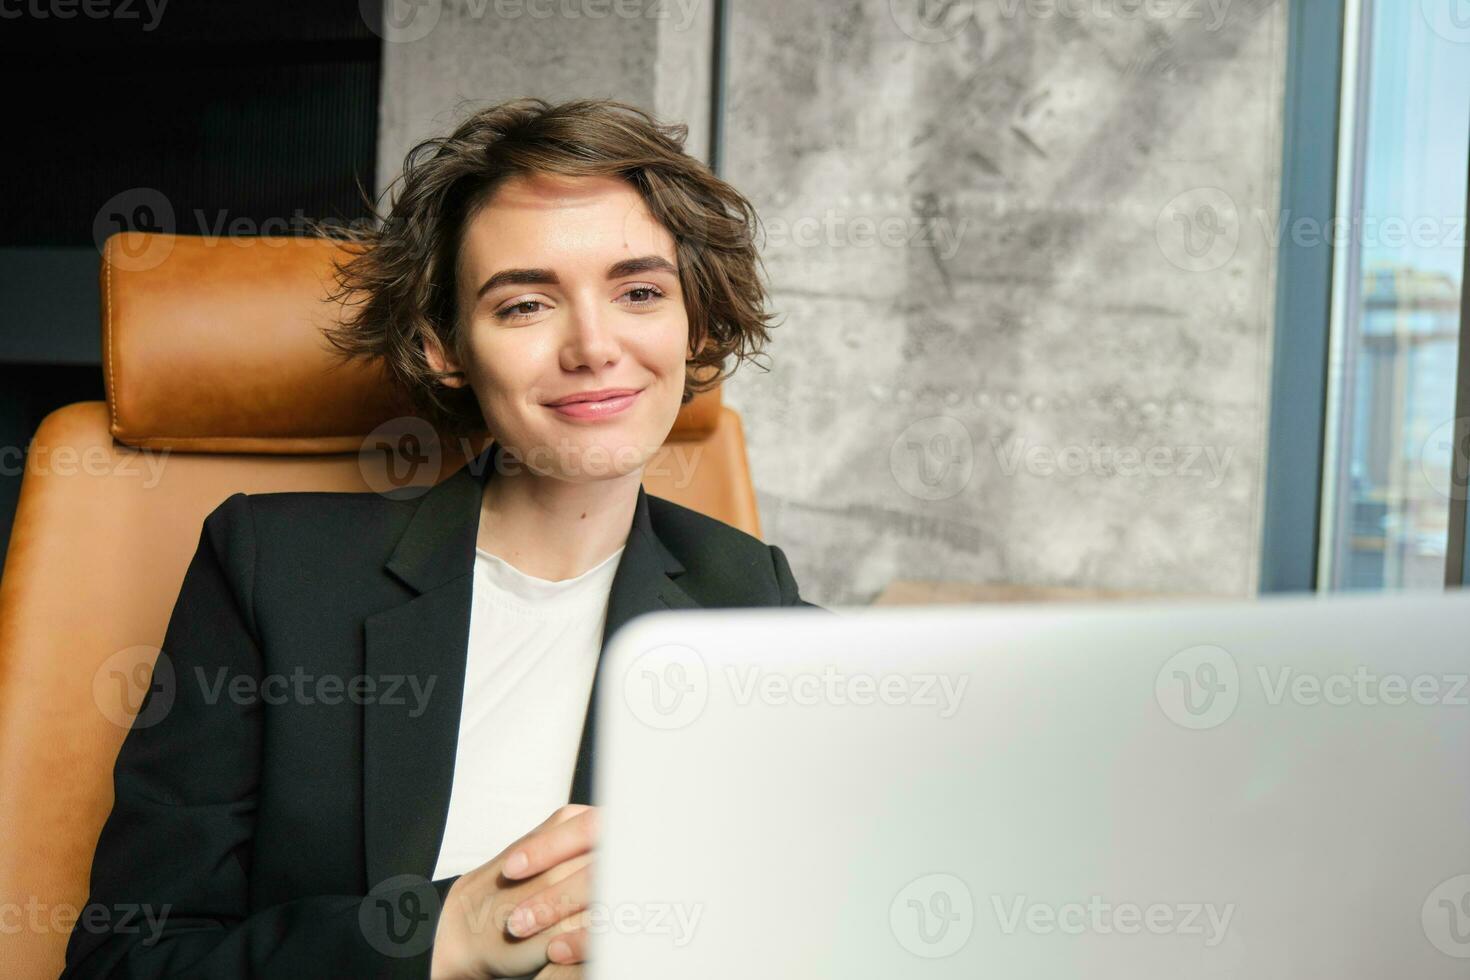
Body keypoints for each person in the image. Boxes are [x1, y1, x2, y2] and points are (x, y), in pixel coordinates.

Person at [62, 97, 821, 980]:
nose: (594, 346)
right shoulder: (273, 571)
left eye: (640, 292)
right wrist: (444, 936)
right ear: (441, 347)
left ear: (693, 322)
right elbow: (125, 960)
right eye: (526, 304)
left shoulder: (755, 604)